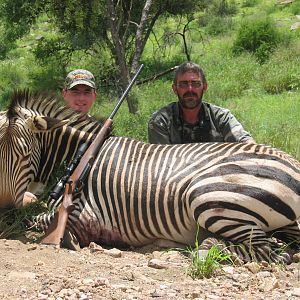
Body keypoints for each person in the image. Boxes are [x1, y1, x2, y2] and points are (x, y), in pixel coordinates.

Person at [23, 69, 97, 206]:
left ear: (94, 96)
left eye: (87, 92)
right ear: (64, 94)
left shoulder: (98, 130)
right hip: (37, 202)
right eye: (75, 92)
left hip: (83, 203)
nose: (81, 98)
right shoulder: (45, 126)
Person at [148, 61, 255, 144]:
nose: (190, 89)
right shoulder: (160, 121)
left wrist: (251, 146)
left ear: (205, 87)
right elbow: (162, 163)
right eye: (183, 84)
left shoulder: (221, 117)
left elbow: (245, 141)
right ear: (175, 89)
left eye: (195, 84)